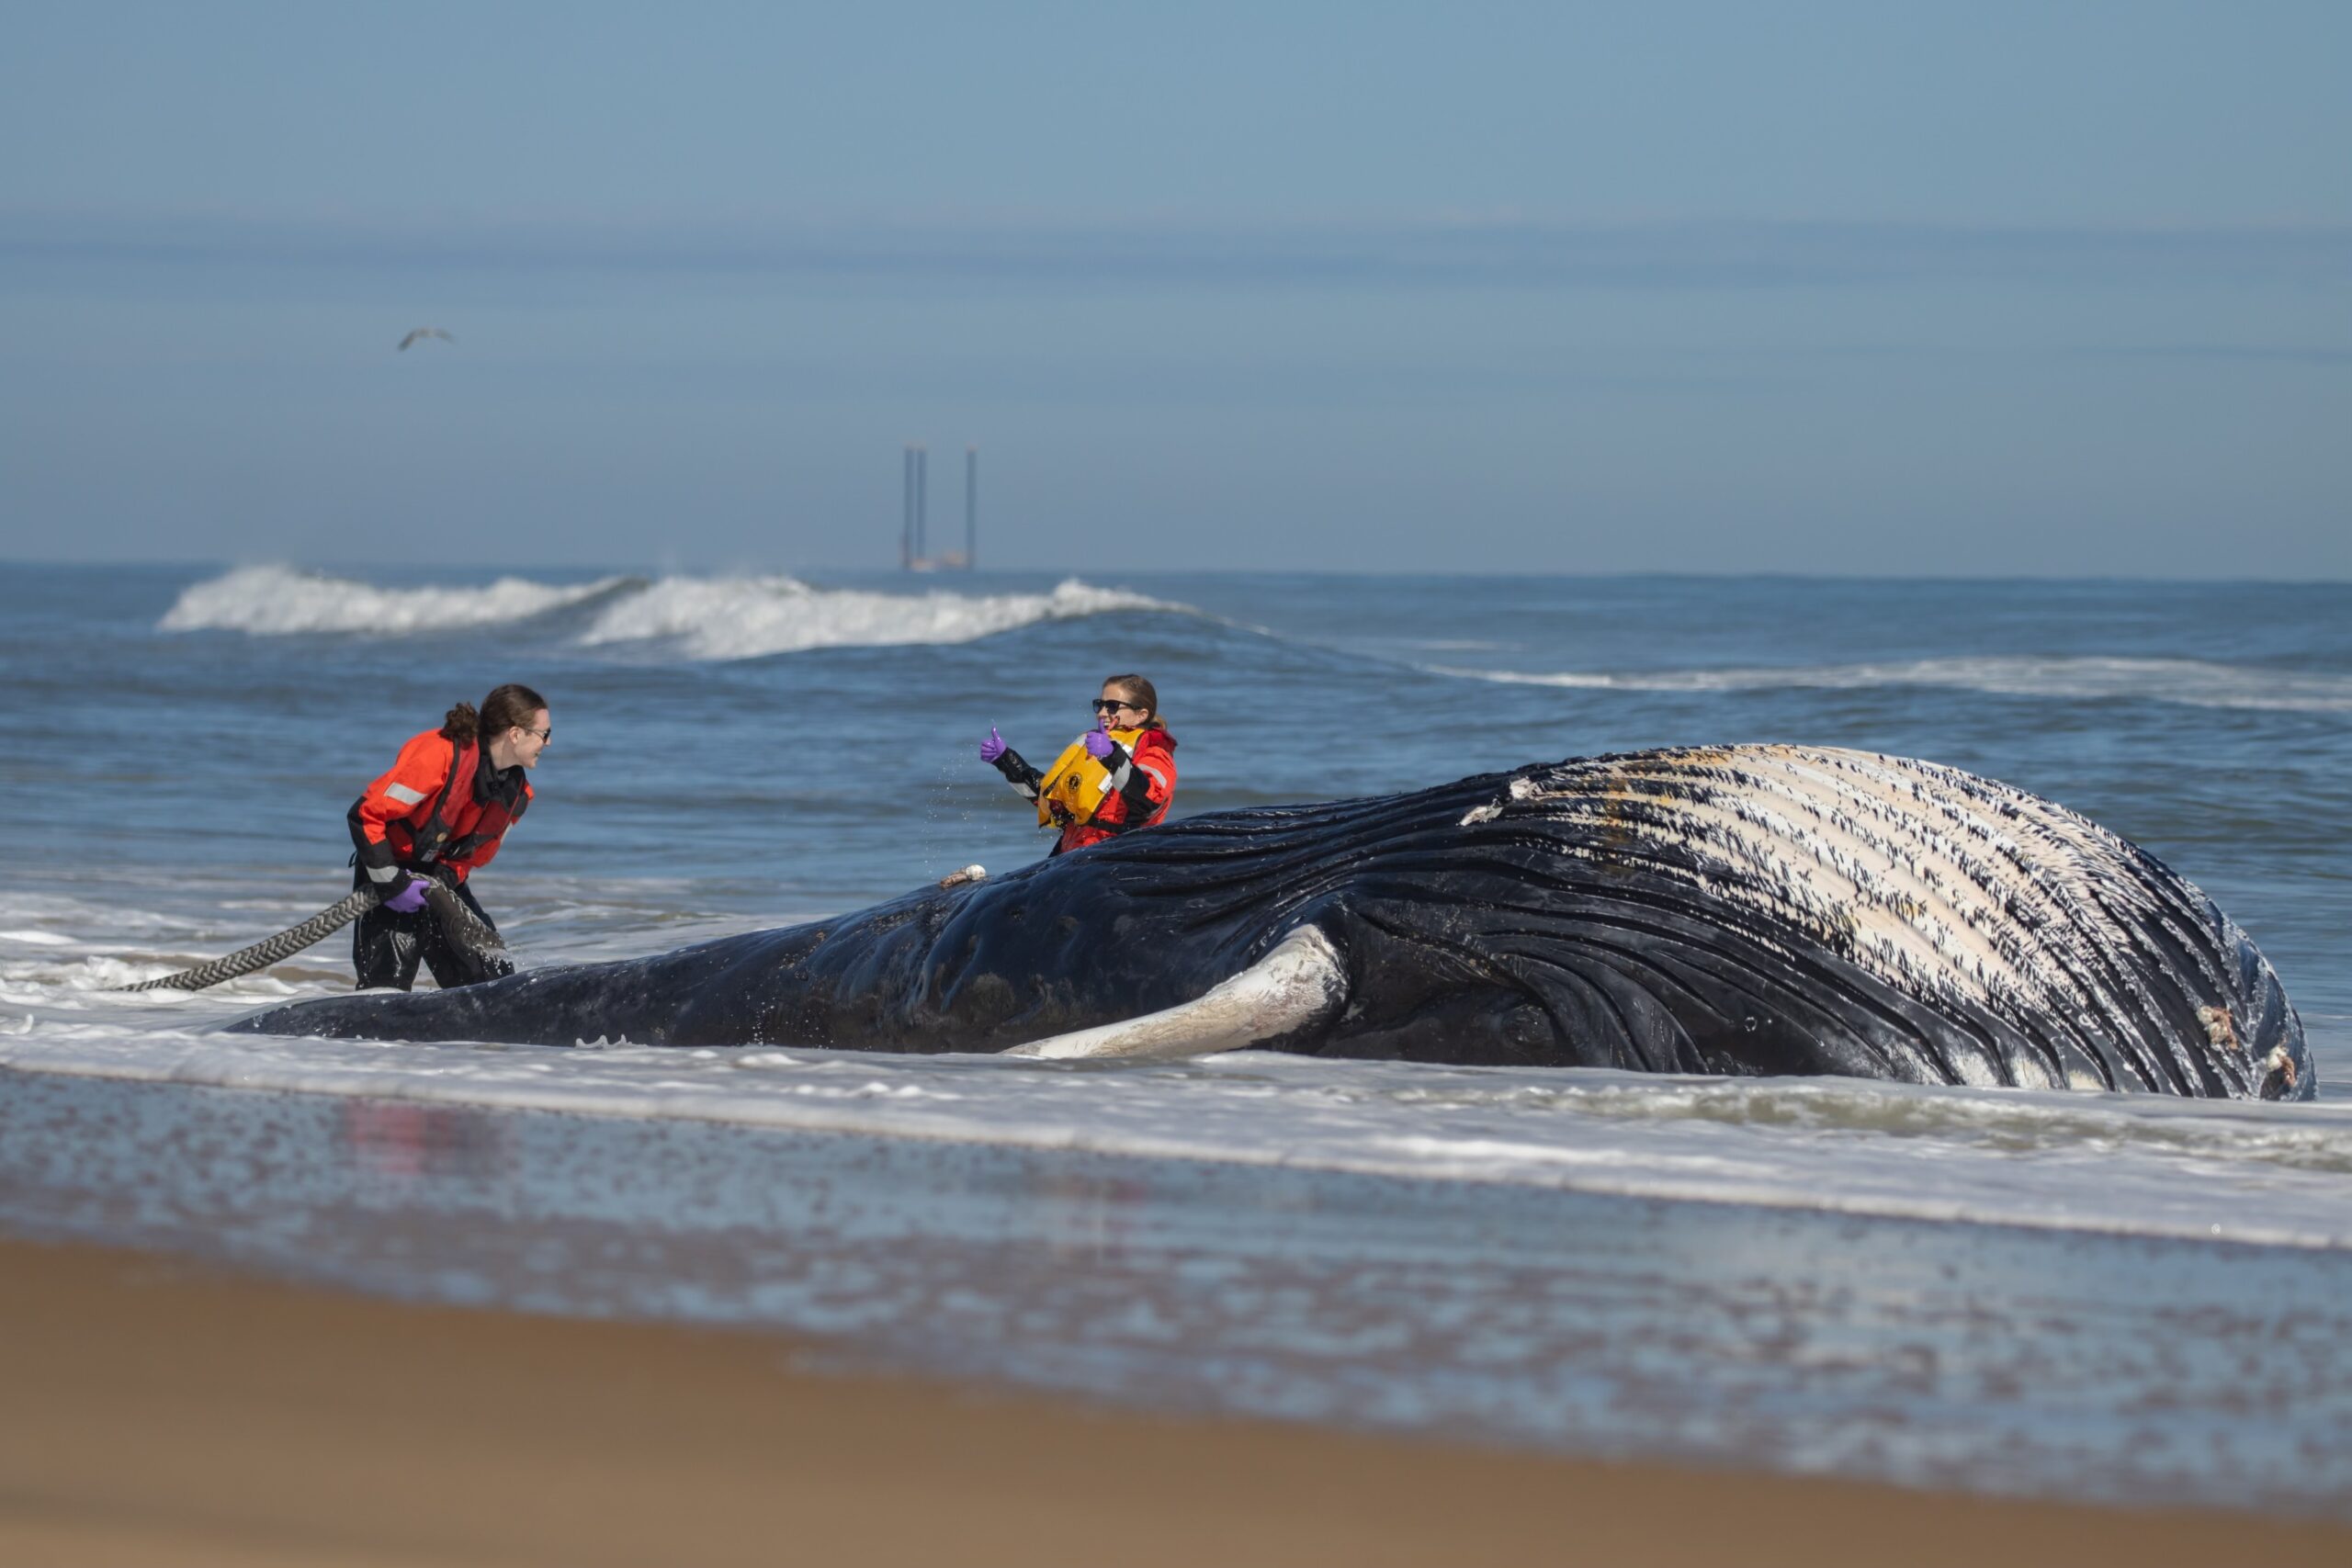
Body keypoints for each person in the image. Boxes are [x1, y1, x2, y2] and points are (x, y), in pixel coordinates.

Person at [347, 682, 549, 990]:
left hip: (441, 883)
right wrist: (392, 883)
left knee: (494, 978)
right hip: (389, 872)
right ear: (515, 733)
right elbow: (365, 816)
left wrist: (441, 884)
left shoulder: (518, 797)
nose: (547, 744)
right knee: (385, 987)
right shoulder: (439, 755)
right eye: (544, 734)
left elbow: (471, 858)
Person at [979, 674, 1178, 855]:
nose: (1101, 712)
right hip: (1072, 856)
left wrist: (1112, 756)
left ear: (1141, 714)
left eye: (1112, 706)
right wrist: (1007, 761)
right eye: (1099, 705)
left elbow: (1148, 802)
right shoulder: (1092, 745)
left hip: (1118, 855)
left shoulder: (1155, 752)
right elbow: (1051, 800)